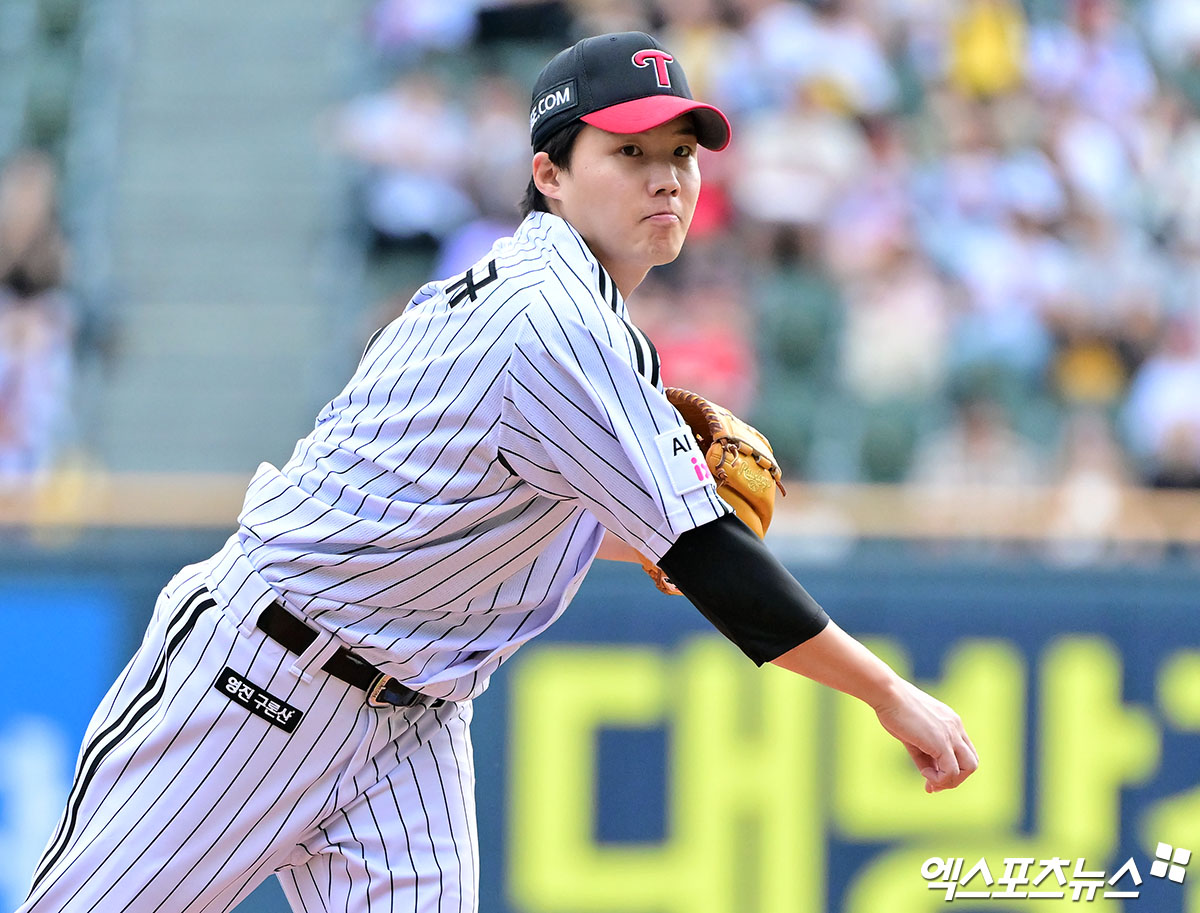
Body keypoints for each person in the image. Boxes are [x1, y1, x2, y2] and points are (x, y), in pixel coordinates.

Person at [19, 32, 977, 913]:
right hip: (260, 680)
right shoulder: (549, 320)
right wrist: (888, 692)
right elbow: (710, 556)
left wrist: (648, 537)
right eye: (630, 152)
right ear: (549, 174)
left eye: (681, 153)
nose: (666, 178)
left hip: (413, 727)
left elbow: (495, 512)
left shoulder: (557, 302)